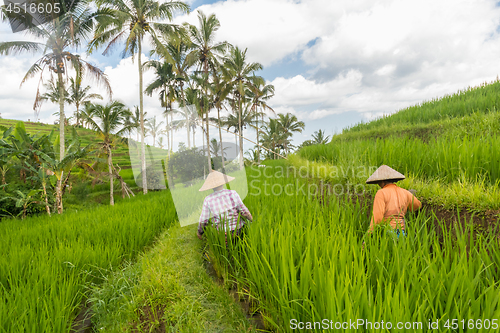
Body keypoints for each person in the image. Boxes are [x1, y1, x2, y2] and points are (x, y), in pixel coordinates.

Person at [366, 165, 422, 236]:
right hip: (401, 234)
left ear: (383, 181)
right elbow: (418, 206)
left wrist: (369, 235)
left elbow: (377, 218)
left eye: (379, 182)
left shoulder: (381, 193)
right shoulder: (405, 192)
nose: (379, 185)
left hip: (386, 233)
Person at [197, 170, 253, 241]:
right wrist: (251, 219)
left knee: (226, 249)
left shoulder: (208, 199)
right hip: (238, 229)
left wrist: (200, 232)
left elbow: (204, 219)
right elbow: (244, 211)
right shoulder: (233, 193)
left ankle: (226, 250)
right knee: (239, 246)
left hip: (222, 232)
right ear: (222, 182)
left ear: (211, 187)